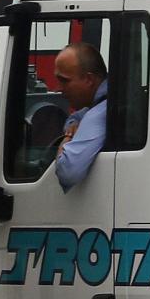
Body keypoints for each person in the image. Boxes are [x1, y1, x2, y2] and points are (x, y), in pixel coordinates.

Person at [53, 42, 108, 192]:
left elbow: (67, 172)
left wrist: (67, 138)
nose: (59, 88)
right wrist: (74, 125)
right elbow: (75, 118)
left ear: (89, 80)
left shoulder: (99, 115)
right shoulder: (100, 105)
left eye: (65, 81)